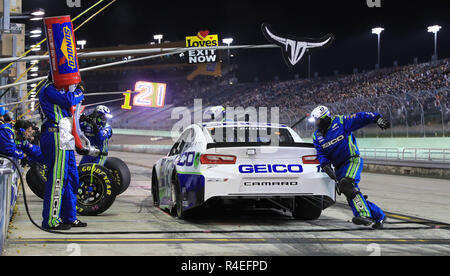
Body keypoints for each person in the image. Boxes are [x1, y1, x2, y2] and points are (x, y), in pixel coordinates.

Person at [311, 106, 391, 229]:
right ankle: (379, 216)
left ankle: (364, 215)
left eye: (318, 120)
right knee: (351, 193)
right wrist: (325, 166)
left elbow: (361, 117)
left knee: (347, 185)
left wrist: (377, 118)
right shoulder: (316, 136)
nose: (316, 123)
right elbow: (321, 153)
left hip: (352, 160)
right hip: (339, 167)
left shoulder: (341, 122)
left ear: (325, 118)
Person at [39, 78, 87, 230]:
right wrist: (79, 92)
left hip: (65, 136)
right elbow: (68, 101)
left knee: (71, 178)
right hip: (55, 135)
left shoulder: (63, 90)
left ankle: (69, 217)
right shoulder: (49, 88)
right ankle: (51, 220)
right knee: (58, 179)